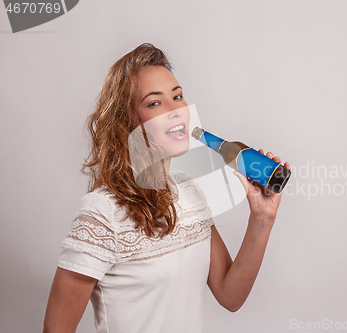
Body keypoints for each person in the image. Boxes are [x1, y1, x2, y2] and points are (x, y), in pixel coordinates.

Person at [43, 43, 290, 333]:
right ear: (128, 122)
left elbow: (230, 295)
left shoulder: (189, 193)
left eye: (178, 96)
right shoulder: (102, 213)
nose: (175, 110)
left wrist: (262, 219)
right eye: (154, 103)